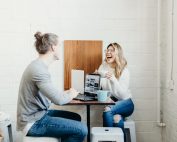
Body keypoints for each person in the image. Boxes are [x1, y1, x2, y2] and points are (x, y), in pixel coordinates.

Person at [16, 32, 88, 142]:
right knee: (82, 130)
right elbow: (58, 100)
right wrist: (71, 94)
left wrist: (67, 93)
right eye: (59, 45)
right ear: (53, 47)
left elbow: (53, 95)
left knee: (76, 118)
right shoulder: (38, 70)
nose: (60, 49)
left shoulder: (39, 66)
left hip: (39, 115)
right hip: (33, 122)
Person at [97, 42, 134, 139]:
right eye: (107, 50)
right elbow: (103, 88)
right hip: (113, 103)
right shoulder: (103, 66)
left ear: (118, 54)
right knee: (116, 119)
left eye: (111, 50)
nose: (108, 52)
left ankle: (106, 140)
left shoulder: (124, 71)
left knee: (107, 110)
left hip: (126, 103)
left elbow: (122, 95)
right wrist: (97, 77)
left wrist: (113, 79)